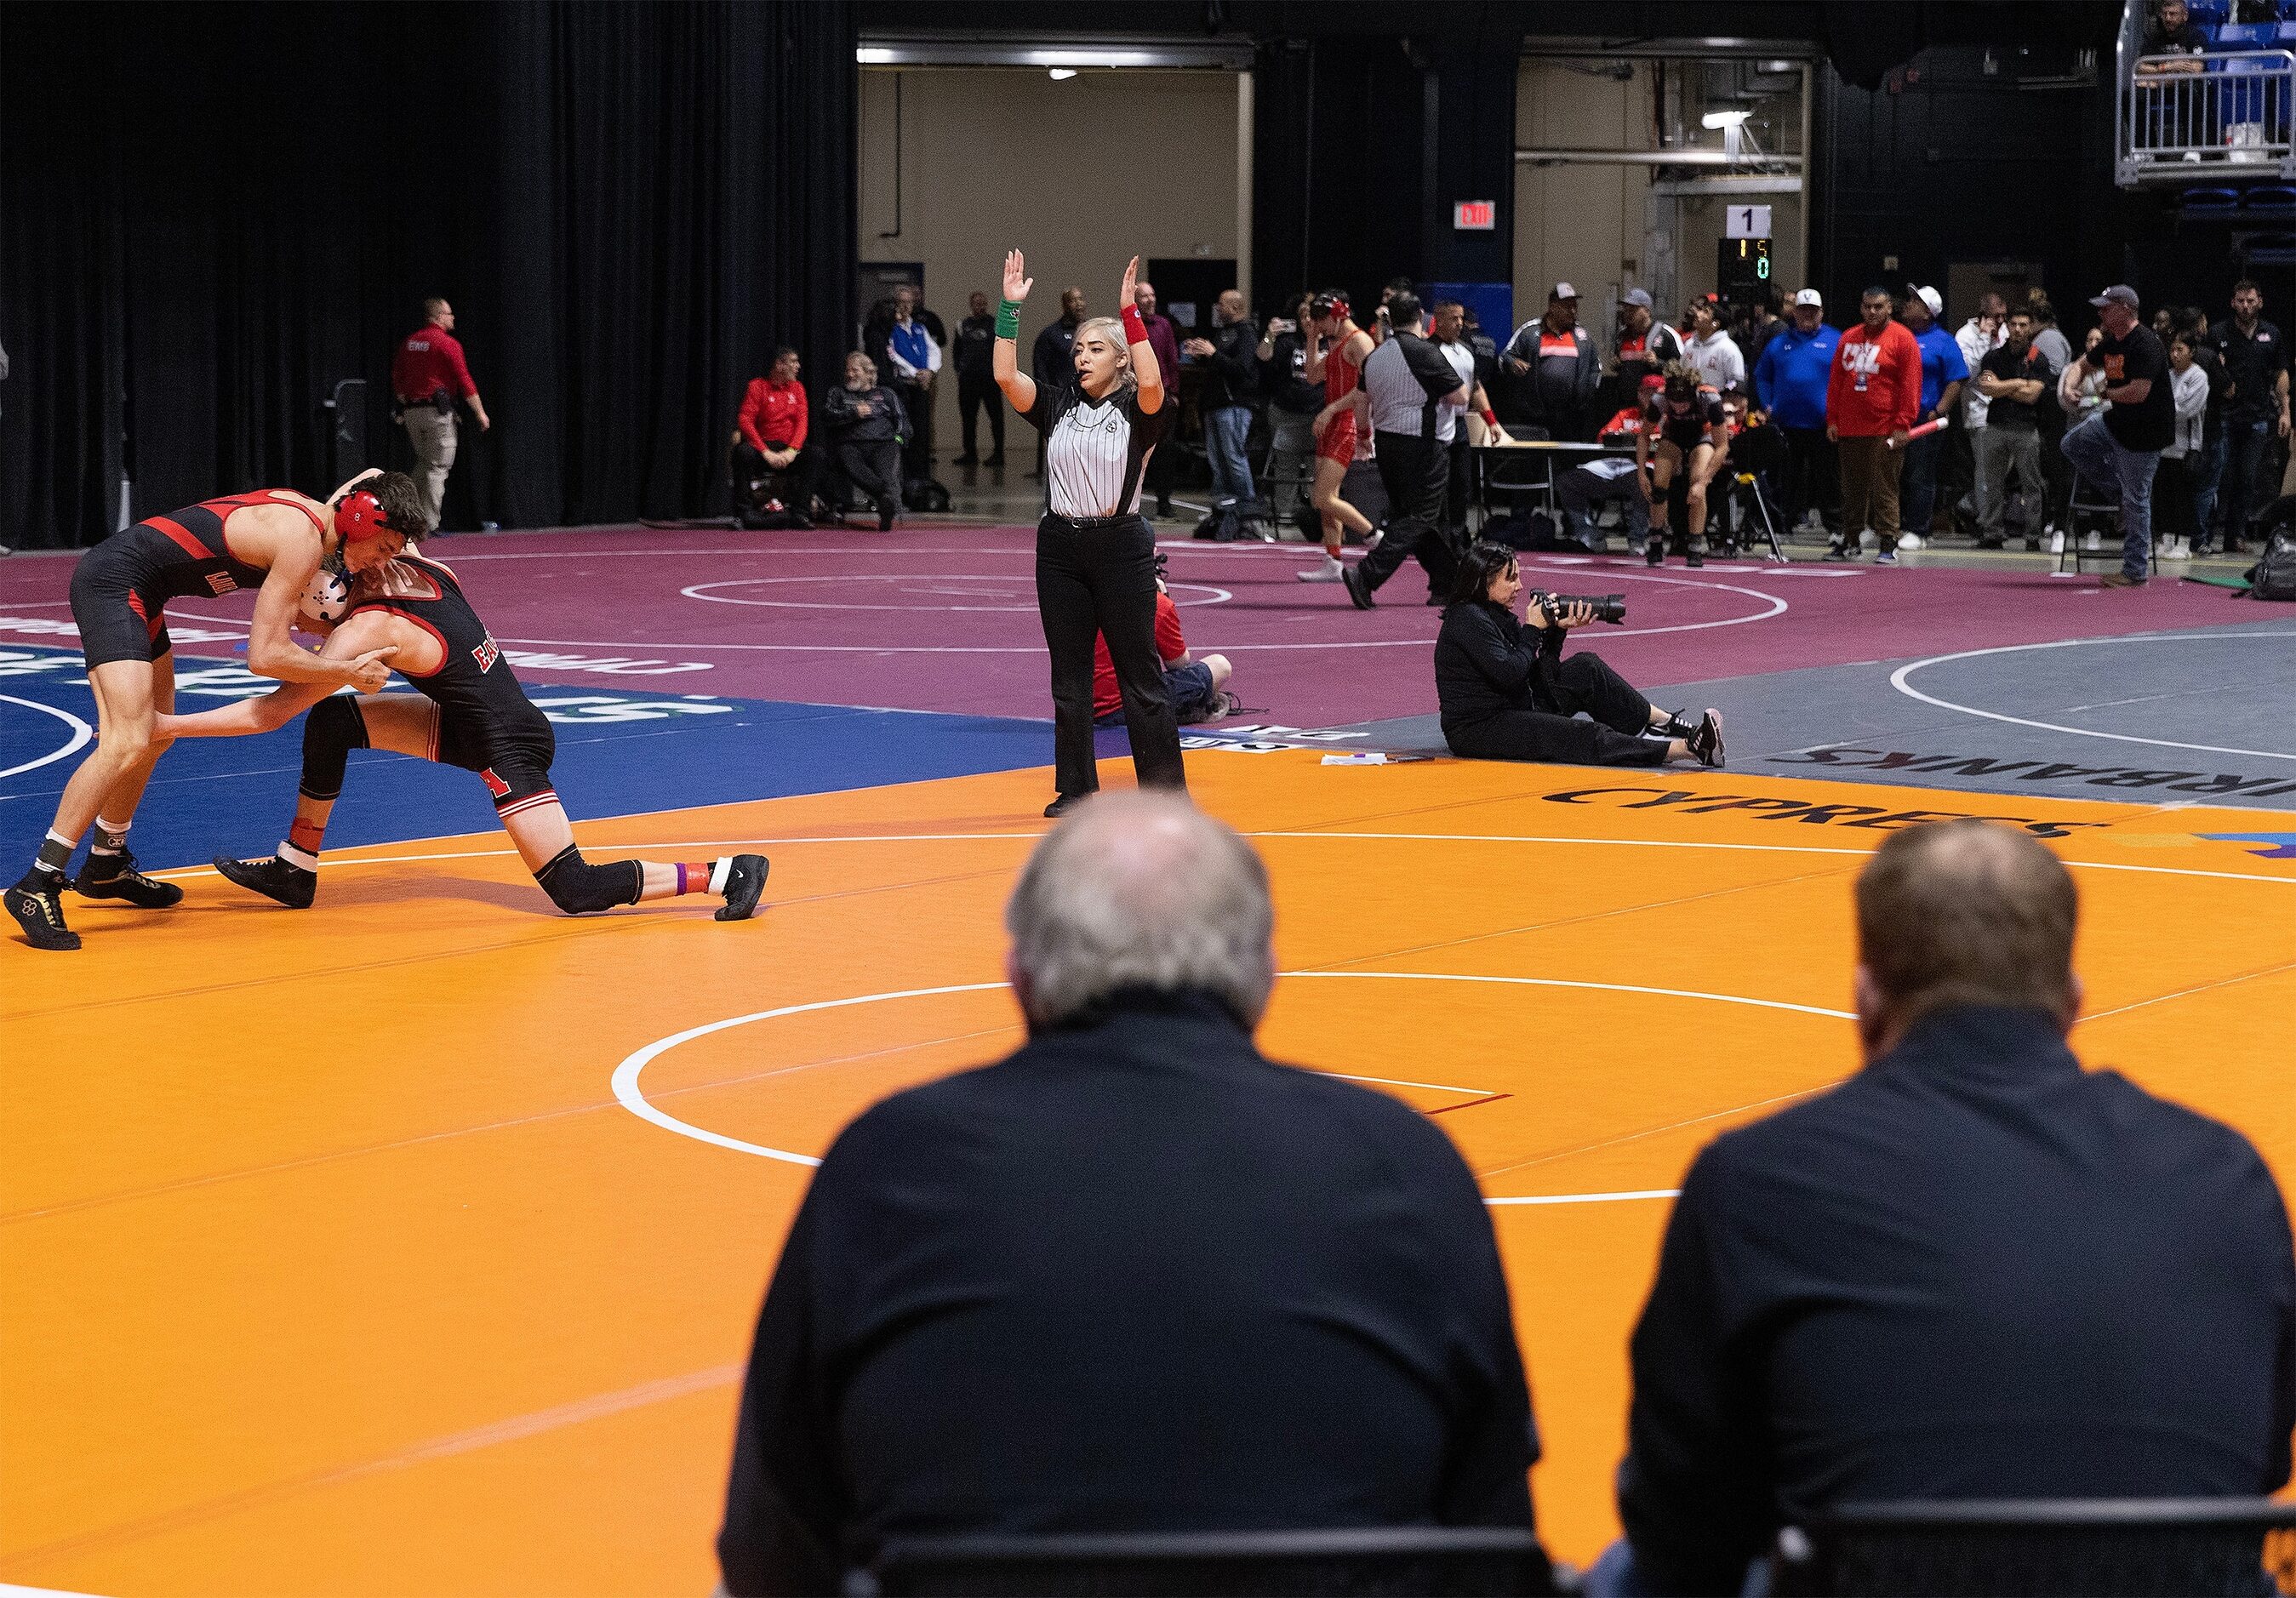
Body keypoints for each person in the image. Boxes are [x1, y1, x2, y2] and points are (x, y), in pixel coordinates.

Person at [715, 792, 1548, 1597]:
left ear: (1018, 973)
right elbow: (1491, 1535)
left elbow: (770, 1544)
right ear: (1263, 973)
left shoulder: (889, 1163)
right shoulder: (1403, 1163)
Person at [1607, 819, 2296, 1597]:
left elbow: (1681, 1516)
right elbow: (2259, 1465)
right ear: (2071, 1003)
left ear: (1866, 998)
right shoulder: (2227, 1178)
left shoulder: (1757, 1181)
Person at [157, 549, 770, 922]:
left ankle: (725, 873)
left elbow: (269, 712)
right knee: (334, 721)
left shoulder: (364, 631)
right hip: (483, 722)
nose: (293, 626)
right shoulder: (419, 568)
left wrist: (166, 726)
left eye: (295, 615)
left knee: (574, 887)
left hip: (508, 743)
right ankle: (296, 868)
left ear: (324, 604)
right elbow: (374, 492)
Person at [5, 471, 414, 950]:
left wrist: (404, 550)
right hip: (113, 584)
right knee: (129, 737)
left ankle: (106, 862)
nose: (378, 565)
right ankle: (39, 883)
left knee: (158, 733)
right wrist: (345, 669)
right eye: (383, 549)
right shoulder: (300, 540)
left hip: (144, 592)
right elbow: (263, 657)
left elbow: (367, 478)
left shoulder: (322, 521)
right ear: (360, 520)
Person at [995, 250, 1184, 816]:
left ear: (1122, 360)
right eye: (1077, 349)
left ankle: (1164, 794)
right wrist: (1009, 309)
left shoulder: (1142, 407)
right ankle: (1076, 790)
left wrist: (1129, 312)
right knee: (1069, 677)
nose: (1081, 356)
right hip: (1058, 548)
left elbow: (1153, 376)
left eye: (1095, 348)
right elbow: (1005, 375)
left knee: (1141, 675)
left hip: (1122, 546)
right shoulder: (1055, 405)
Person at [1436, 541, 1722, 768]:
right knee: (1580, 734)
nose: (1519, 587)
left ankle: (1665, 723)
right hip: (1479, 728)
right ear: (1483, 582)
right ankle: (1688, 749)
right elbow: (1510, 674)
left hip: (1516, 705)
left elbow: (1537, 677)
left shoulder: (1498, 615)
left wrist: (1556, 632)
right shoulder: (1466, 619)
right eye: (1510, 580)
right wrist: (1533, 629)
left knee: (1586, 667)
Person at [1339, 293, 1468, 610]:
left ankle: (1447, 583)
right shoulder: (1424, 352)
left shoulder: (1376, 355)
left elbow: (1361, 400)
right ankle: (1367, 575)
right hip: (1422, 445)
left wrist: (1364, 435)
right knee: (1420, 516)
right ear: (1422, 316)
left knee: (1427, 517)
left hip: (1386, 443)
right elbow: (1460, 396)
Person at [2059, 284, 2174, 587]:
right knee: (2072, 443)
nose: (2100, 313)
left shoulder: (2146, 344)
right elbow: (2080, 365)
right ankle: (2117, 492)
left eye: (2106, 307)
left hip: (2145, 433)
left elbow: (2139, 392)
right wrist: (2071, 386)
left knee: (2137, 500)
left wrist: (2106, 393)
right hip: (2116, 423)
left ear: (2125, 308)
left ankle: (2135, 571)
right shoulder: (2112, 342)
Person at [1825, 287, 1920, 562]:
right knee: (1851, 488)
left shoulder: (1903, 339)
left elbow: (1910, 385)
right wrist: (1833, 419)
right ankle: (1851, 539)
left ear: (1890, 307)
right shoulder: (1849, 337)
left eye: (1878, 307)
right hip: (1850, 426)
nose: (1872, 312)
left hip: (1885, 427)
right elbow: (1836, 382)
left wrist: (1903, 423)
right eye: (1867, 307)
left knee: (1884, 487)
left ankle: (1888, 541)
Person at [1297, 289, 1382, 583]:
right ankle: (1333, 560)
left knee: (1321, 497)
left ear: (1336, 317)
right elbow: (1312, 376)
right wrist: (1311, 339)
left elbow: (1368, 388)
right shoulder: (1337, 343)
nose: (1319, 329)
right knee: (1325, 499)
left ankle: (1375, 537)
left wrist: (1358, 427)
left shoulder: (1359, 341)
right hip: (1332, 421)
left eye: (1320, 323)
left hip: (1344, 422)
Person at [391, 298, 491, 534]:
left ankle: (406, 515)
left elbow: (397, 375)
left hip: (412, 414)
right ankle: (429, 525)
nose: (453, 317)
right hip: (437, 414)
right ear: (437, 317)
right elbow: (465, 381)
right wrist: (480, 414)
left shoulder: (410, 342)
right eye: (449, 314)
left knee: (425, 464)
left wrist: (405, 399)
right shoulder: (447, 344)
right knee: (438, 468)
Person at [1094, 560, 1235, 728]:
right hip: (1127, 708)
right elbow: (1178, 664)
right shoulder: (1156, 602)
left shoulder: (1085, 596)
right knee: (1220, 665)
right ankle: (1186, 710)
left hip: (1080, 709)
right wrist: (1164, 598)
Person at [2209, 279, 2287, 554]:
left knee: (2247, 478)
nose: (2245, 306)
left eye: (2250, 301)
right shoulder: (2218, 332)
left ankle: (2237, 536)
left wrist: (2286, 411)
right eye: (2240, 300)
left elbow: (2280, 373)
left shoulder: (2271, 334)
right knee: (2222, 477)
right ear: (2233, 302)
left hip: (2258, 417)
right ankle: (2207, 534)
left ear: (2260, 302)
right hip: (2225, 417)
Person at [1755, 289, 1840, 539]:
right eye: (1802, 310)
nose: (1807, 315)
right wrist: (1767, 404)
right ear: (1794, 312)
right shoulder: (1779, 342)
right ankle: (1782, 526)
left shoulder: (1837, 340)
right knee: (1786, 479)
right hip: (1787, 423)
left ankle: (1836, 527)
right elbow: (1762, 375)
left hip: (1824, 425)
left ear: (1821, 313)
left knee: (1828, 478)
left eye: (1812, 311)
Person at [1894, 285, 1969, 551]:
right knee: (1892, 475)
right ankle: (1890, 526)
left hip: (1924, 421)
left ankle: (1918, 530)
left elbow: (1956, 381)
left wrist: (1939, 410)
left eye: (1915, 301)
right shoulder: (1898, 336)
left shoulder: (1943, 341)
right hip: (1894, 420)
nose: (1907, 304)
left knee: (1920, 475)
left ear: (1928, 312)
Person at [1433, 297, 1511, 540]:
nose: (1459, 324)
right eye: (1453, 319)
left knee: (1462, 485)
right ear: (1438, 320)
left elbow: (1476, 388)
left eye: (1461, 319)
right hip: (1434, 426)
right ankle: (1438, 536)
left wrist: (1492, 421)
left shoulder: (1466, 351)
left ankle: (1457, 536)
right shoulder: (1429, 351)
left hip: (1460, 424)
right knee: (1438, 486)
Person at [1556, 375, 1664, 552]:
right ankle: (1588, 535)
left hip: (1646, 468)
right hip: (1615, 463)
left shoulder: (1666, 418)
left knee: (1647, 482)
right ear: (1640, 394)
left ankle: (1637, 540)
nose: (1652, 399)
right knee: (1567, 481)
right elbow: (1605, 435)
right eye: (1647, 393)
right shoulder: (1626, 414)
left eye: (1656, 394)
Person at [1637, 364, 1730, 568]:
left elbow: (1722, 446)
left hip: (1701, 436)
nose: (1679, 407)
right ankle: (1656, 541)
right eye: (1674, 403)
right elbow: (1644, 436)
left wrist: (1704, 482)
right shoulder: (1659, 399)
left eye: (1684, 402)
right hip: (1673, 437)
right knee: (1659, 487)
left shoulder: (1710, 399)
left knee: (1697, 483)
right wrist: (1642, 473)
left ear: (1694, 395)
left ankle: (1695, 546)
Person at [1973, 309, 2050, 551]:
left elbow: (2032, 395)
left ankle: (2032, 535)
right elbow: (1986, 388)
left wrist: (2001, 387)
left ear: (2030, 327)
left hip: (2026, 428)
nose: (2018, 329)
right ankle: (1992, 532)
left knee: (2031, 483)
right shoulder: (1993, 357)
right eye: (2014, 324)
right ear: (2007, 326)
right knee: (1993, 483)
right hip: (1995, 425)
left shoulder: (2038, 358)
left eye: (2023, 325)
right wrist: (2017, 383)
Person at [1184, 288, 1260, 511]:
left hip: (1233, 405)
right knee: (1217, 461)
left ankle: (1247, 509)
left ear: (1235, 308)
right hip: (1214, 404)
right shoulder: (1223, 333)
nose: (1218, 308)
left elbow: (1242, 368)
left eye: (1222, 304)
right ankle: (1222, 509)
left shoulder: (1246, 333)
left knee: (1234, 457)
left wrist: (1213, 353)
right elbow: (1218, 366)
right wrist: (1201, 356)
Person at [1259, 292, 1325, 532]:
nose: (1309, 320)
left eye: (1313, 316)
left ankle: (1313, 518)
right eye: (1304, 316)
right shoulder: (1288, 341)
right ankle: (1284, 516)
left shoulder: (1329, 342)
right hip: (1286, 412)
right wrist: (1269, 336)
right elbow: (1263, 359)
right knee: (1286, 466)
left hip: (1318, 414)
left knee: (1315, 467)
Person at [734, 348, 820, 529]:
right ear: (779, 365)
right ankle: (745, 513)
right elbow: (745, 420)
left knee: (816, 455)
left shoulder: (797, 389)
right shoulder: (757, 386)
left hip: (788, 450)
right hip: (763, 449)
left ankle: (800, 513)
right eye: (793, 362)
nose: (798, 366)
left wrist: (792, 450)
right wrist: (765, 452)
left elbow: (802, 422)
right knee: (742, 453)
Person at [821, 352, 909, 532]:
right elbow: (827, 416)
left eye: (855, 370)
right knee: (853, 465)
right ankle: (886, 498)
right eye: (848, 370)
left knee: (887, 474)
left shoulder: (886, 394)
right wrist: (853, 413)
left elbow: (902, 421)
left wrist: (898, 439)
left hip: (884, 444)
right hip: (850, 445)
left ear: (868, 373)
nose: (850, 374)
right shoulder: (838, 393)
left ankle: (886, 506)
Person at [1501, 283, 1602, 439]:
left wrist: (1586, 393)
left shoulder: (1583, 337)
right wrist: (1513, 363)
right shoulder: (1530, 331)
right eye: (1568, 307)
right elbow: (1505, 356)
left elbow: (1596, 367)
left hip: (1571, 417)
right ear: (1553, 307)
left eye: (1575, 306)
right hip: (1535, 415)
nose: (1573, 311)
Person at [869, 284, 943, 485]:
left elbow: (934, 350)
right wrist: (915, 373)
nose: (905, 307)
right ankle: (904, 479)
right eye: (901, 302)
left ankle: (921, 477)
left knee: (922, 432)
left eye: (909, 302)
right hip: (903, 385)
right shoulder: (889, 328)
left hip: (922, 385)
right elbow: (892, 356)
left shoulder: (919, 327)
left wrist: (930, 371)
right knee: (904, 433)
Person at [2157, 330, 2210, 560]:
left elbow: (2187, 409)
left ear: (2192, 351)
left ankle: (2185, 541)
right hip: (2164, 445)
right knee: (2165, 495)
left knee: (2184, 496)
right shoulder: (2167, 375)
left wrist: (2164, 407)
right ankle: (2167, 540)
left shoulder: (2198, 377)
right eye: (2172, 350)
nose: (2175, 354)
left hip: (2187, 446)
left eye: (2181, 349)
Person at [1028, 286, 1086, 480]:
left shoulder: (1092, 331)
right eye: (1073, 300)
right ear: (1064, 305)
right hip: (1061, 398)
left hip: (1089, 398)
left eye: (1081, 299)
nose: (1078, 304)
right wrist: (1047, 396)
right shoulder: (1051, 335)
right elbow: (1040, 368)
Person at [951, 290, 1003, 468]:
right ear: (971, 305)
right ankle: (970, 453)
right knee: (968, 418)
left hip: (990, 380)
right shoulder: (962, 325)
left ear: (986, 304)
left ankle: (998, 454)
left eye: (983, 303)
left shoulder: (995, 324)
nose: (980, 306)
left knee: (996, 418)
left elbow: (1002, 350)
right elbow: (956, 352)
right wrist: (960, 370)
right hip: (968, 381)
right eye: (976, 303)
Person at [1615, 288, 1687, 391]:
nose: (1628, 313)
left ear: (1647, 311)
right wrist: (1617, 365)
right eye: (1626, 309)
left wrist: (1657, 363)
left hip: (1656, 399)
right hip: (1626, 399)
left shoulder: (1666, 334)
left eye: (1633, 309)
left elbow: (1681, 369)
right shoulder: (1622, 335)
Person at [1681, 295, 1747, 397]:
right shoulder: (1689, 345)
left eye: (1705, 312)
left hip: (1717, 405)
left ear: (1715, 324)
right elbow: (1681, 373)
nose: (1698, 314)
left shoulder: (1728, 349)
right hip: (1689, 406)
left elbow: (1736, 383)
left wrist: (1718, 391)